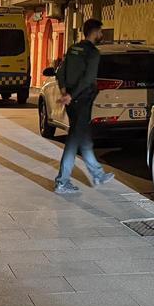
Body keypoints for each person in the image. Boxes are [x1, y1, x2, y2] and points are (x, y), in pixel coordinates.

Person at [53, 18, 115, 195]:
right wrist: (71, 96)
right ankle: (62, 182)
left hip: (71, 101)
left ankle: (97, 174)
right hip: (82, 99)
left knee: (84, 138)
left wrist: (65, 93)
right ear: (95, 32)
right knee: (73, 141)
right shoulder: (93, 53)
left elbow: (60, 72)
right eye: (100, 32)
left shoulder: (73, 49)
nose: (101, 35)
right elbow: (88, 79)